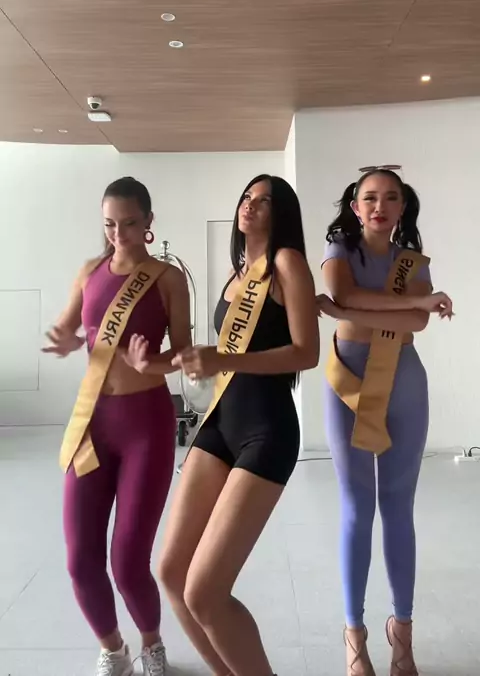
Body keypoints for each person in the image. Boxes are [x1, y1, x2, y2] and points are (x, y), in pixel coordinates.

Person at [132, 174, 319, 676]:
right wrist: (155, 365)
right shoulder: (238, 275)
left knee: (205, 591)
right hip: (220, 424)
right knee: (171, 573)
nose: (251, 206)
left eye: (265, 201)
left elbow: (307, 352)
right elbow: (214, 356)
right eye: (246, 197)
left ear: (282, 214)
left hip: (267, 430)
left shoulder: (287, 263)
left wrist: (226, 357)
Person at [43, 177, 191, 676]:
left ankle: (152, 643)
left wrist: (154, 363)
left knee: (127, 560)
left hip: (146, 425)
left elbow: (184, 355)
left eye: (129, 223)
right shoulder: (90, 271)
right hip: (93, 422)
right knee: (80, 558)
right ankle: (113, 648)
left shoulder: (167, 278)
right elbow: (71, 326)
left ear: (149, 222)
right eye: (110, 224)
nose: (119, 234)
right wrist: (67, 340)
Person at [317, 168, 453, 676]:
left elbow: (410, 323)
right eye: (369, 198)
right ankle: (354, 636)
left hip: (405, 386)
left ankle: (403, 633)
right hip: (347, 386)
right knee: (357, 509)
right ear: (355, 207)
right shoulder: (338, 250)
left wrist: (346, 311)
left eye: (390, 198)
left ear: (402, 207)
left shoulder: (413, 261)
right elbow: (346, 294)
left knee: (398, 509)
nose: (379, 206)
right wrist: (412, 300)